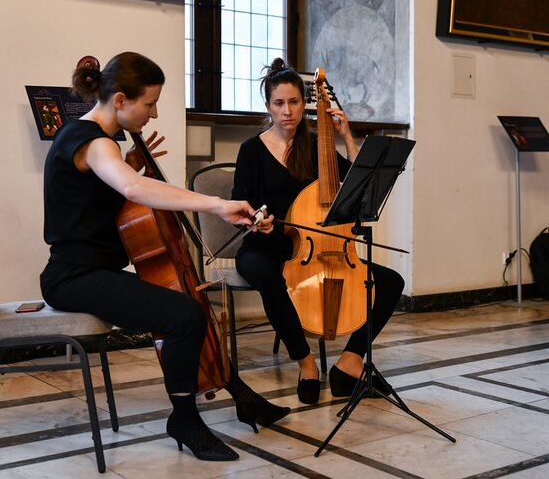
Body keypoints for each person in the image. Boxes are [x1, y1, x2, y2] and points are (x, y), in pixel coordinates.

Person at [40, 52, 289, 462]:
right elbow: (134, 191)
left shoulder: (95, 143)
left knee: (190, 306)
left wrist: (131, 164)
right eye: (149, 103)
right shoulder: (92, 140)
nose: (153, 114)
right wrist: (215, 205)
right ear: (120, 100)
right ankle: (185, 419)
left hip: (92, 272)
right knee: (183, 315)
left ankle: (236, 394)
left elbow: (108, 192)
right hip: (72, 278)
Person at [232, 58, 405, 404]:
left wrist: (347, 136)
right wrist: (257, 219)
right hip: (266, 244)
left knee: (391, 282)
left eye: (294, 102)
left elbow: (358, 185)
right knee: (265, 273)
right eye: (279, 104)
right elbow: (240, 206)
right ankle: (306, 363)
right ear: (267, 106)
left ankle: (350, 363)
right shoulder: (251, 150)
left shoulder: (316, 145)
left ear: (304, 104)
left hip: (317, 246)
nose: (287, 112)